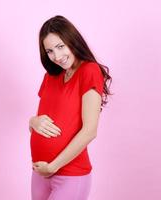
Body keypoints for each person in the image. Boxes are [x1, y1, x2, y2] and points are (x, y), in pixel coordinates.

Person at [28, 15, 112, 200]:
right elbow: (38, 121)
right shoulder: (51, 76)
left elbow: (90, 131)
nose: (56, 56)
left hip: (70, 174)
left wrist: (53, 166)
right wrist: (33, 121)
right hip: (40, 172)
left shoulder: (89, 71)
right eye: (49, 51)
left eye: (60, 46)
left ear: (72, 41)